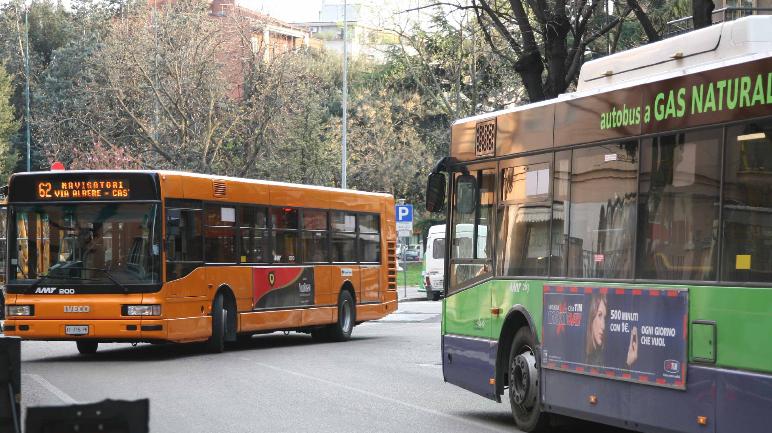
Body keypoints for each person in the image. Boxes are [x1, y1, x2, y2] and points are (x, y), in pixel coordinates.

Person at [585, 293, 607, 366]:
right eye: (599, 315)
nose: (603, 326)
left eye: (605, 318)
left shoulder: (601, 358)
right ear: (592, 317)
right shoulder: (589, 361)